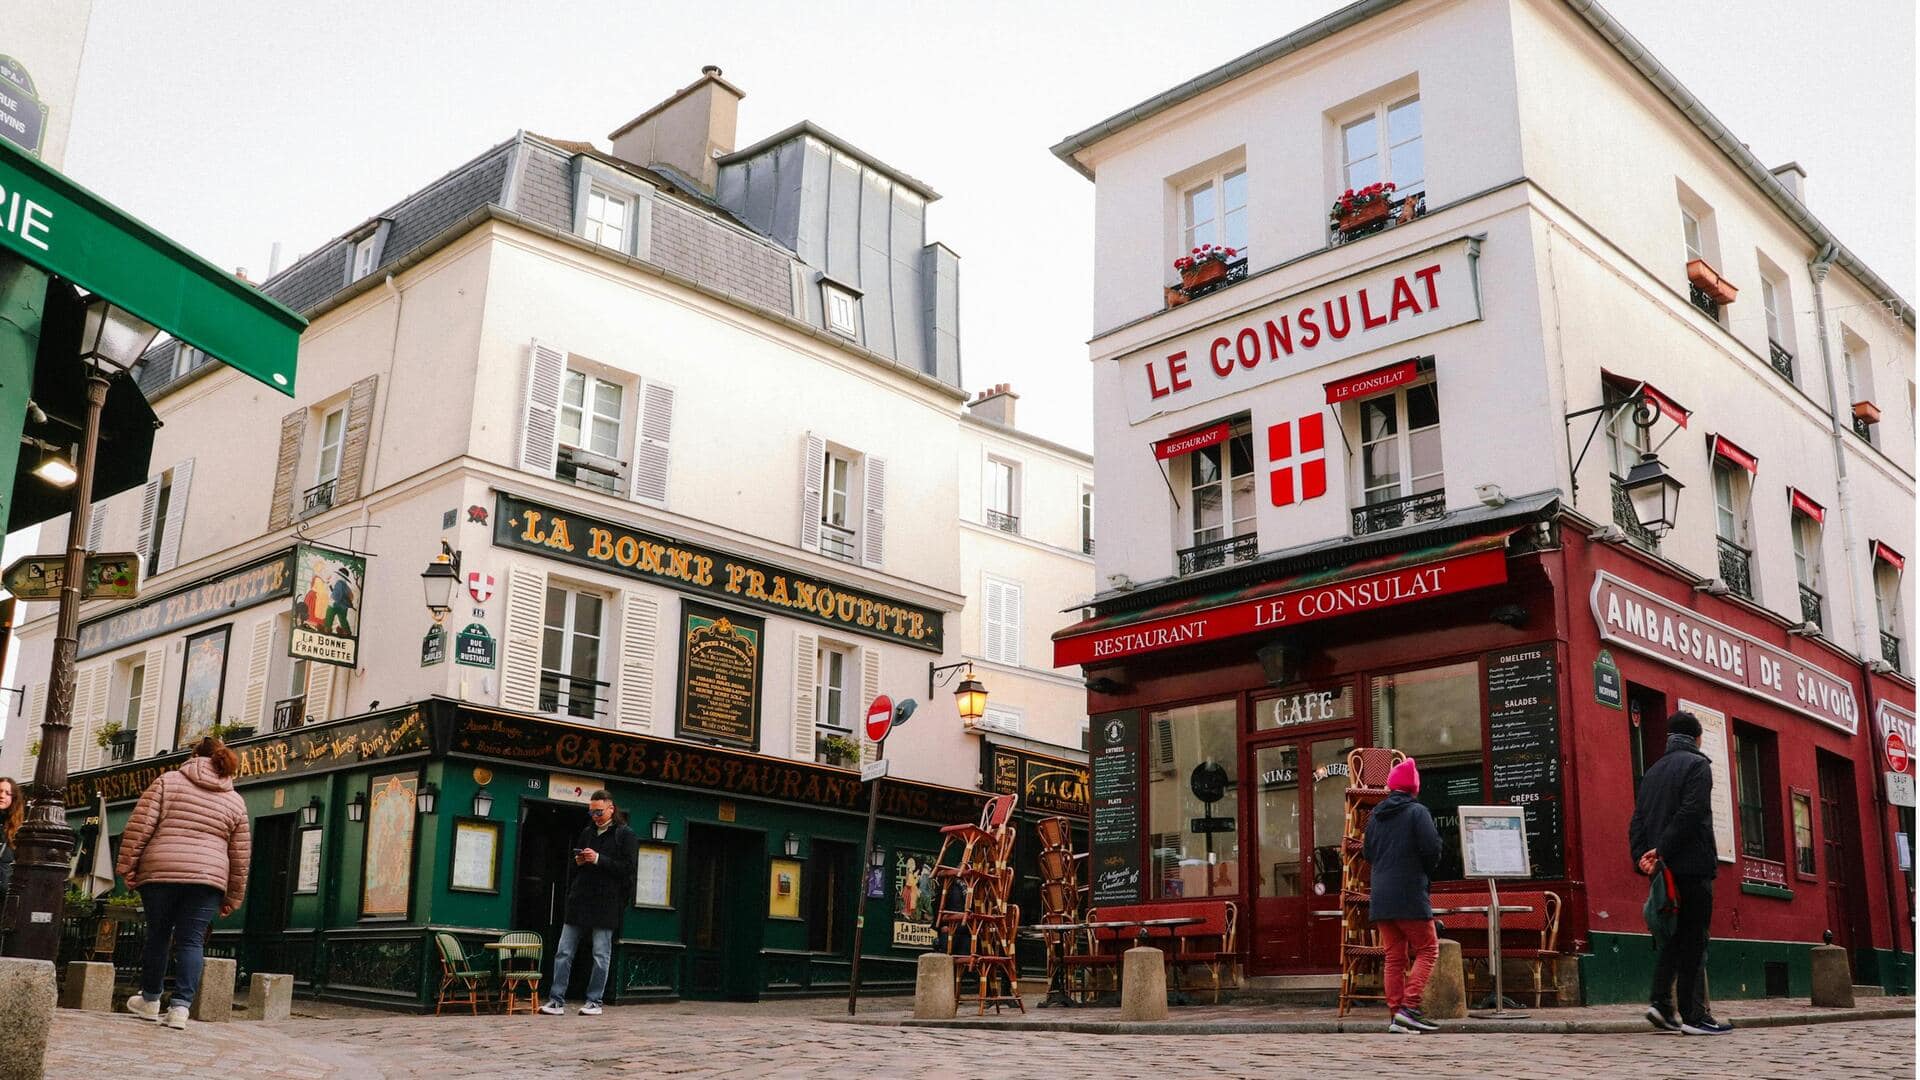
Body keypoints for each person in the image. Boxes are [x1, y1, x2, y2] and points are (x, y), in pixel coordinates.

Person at [115, 737, 252, 1030]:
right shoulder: (235, 800)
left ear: (193, 756)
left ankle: (150, 1000)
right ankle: (180, 1009)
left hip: (161, 871)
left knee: (159, 935)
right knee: (191, 941)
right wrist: (234, 895)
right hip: (208, 879)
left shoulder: (168, 782)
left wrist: (127, 866)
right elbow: (240, 855)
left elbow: (140, 826)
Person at [1628, 710, 1731, 1035]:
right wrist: (1662, 851)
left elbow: (1638, 822)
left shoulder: (1652, 772)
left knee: (1673, 938)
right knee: (1694, 940)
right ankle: (1694, 1016)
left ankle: (1660, 1003)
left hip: (1664, 870)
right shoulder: (1698, 765)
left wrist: (1643, 859)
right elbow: (1692, 812)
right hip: (1691, 865)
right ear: (1697, 738)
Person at [1363, 757, 1442, 1034]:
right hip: (1409, 892)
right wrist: (1424, 869)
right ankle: (1409, 1008)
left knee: (1394, 958)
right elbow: (1431, 848)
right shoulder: (1417, 812)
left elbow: (1368, 854)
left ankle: (1397, 1014)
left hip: (1381, 895)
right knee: (1428, 949)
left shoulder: (1375, 816)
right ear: (1413, 787)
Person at [541, 790, 638, 1016]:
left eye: (599, 811)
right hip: (580, 900)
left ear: (611, 808)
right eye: (591, 812)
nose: (595, 816)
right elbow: (573, 868)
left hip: (606, 903)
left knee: (600, 954)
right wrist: (579, 861)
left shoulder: (625, 835)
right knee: (563, 951)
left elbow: (628, 869)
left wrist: (598, 859)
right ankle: (556, 1001)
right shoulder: (587, 832)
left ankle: (594, 1001)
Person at [0, 776, 21, 903]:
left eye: (8, 793)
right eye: (0, 791)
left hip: (4, 896)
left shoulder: (17, 829)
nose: (2, 796)